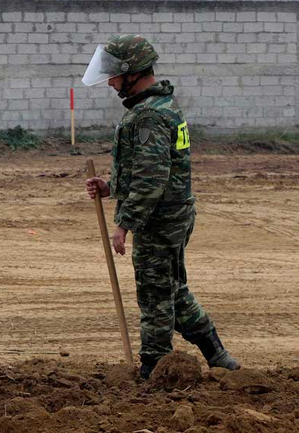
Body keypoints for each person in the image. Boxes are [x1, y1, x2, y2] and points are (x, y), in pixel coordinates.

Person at [82, 34, 240, 379]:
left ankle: (154, 369)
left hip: (159, 219)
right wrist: (112, 187)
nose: (109, 82)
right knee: (172, 289)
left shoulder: (149, 116)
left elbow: (151, 179)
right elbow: (152, 169)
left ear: (133, 72)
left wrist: (124, 223)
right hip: (173, 213)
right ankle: (218, 355)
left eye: (113, 75)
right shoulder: (161, 107)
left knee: (155, 296)